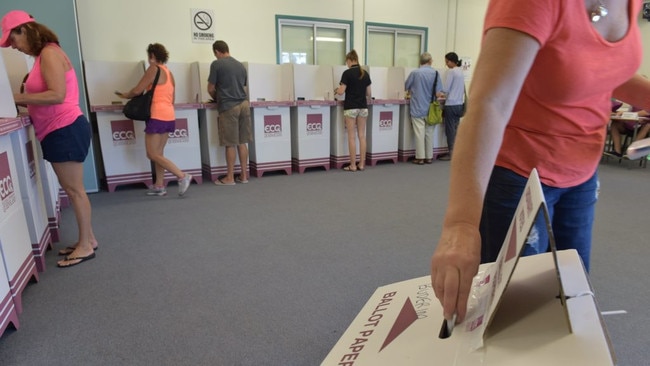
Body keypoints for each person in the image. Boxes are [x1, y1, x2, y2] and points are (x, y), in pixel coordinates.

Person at [430, 0, 647, 325]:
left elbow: (602, 66)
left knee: (570, 300)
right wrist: (460, 226)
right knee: (514, 314)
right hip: (519, 174)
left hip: (582, 175)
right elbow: (490, 104)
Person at [2, 10, 97, 267]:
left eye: (13, 40)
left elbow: (57, 94)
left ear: (24, 30)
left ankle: (86, 246)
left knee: (75, 191)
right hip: (59, 129)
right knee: (73, 189)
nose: (13, 47)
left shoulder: (50, 54)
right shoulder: (45, 54)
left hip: (63, 128)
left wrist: (15, 98)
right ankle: (88, 239)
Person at [117, 43, 192, 196]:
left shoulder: (153, 69)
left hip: (157, 115)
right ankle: (159, 185)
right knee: (159, 153)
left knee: (152, 153)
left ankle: (182, 176)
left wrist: (125, 95)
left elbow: (138, 90)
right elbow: (172, 98)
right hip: (169, 115)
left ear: (152, 56)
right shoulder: (170, 73)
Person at [207, 40, 251, 186]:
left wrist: (216, 99)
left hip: (229, 106)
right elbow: (242, 86)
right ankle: (244, 176)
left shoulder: (216, 64)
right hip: (244, 105)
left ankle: (230, 177)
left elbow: (210, 88)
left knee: (230, 143)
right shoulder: (240, 65)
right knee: (242, 142)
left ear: (216, 52)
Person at [334, 50, 372, 172]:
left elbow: (341, 91)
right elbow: (369, 93)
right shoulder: (365, 73)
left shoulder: (347, 73)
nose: (347, 64)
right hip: (363, 107)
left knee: (351, 137)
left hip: (351, 108)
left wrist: (336, 90)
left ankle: (352, 165)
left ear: (350, 60)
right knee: (362, 136)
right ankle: (361, 164)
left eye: (347, 62)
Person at [405, 52, 443, 165]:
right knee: (429, 133)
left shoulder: (415, 73)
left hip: (417, 107)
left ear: (420, 61)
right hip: (431, 109)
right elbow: (438, 93)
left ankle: (420, 158)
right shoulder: (436, 73)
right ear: (430, 61)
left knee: (419, 133)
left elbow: (406, 86)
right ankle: (429, 157)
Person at [438, 52, 465, 161]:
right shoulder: (461, 71)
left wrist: (439, 92)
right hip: (459, 104)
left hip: (451, 104)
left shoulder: (451, 72)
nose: (446, 64)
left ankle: (451, 153)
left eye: (446, 62)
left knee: (450, 130)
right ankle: (458, 152)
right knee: (456, 128)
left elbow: (446, 89)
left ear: (451, 61)